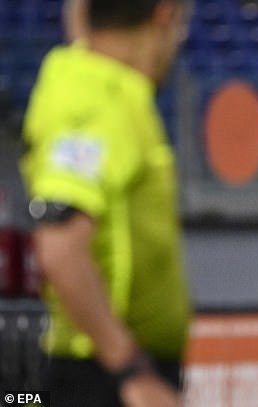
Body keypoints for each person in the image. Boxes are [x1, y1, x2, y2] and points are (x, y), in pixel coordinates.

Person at [20, 1, 192, 406]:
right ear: (164, 15)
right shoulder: (101, 102)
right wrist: (130, 369)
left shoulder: (101, 85)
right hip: (100, 376)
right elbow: (61, 245)